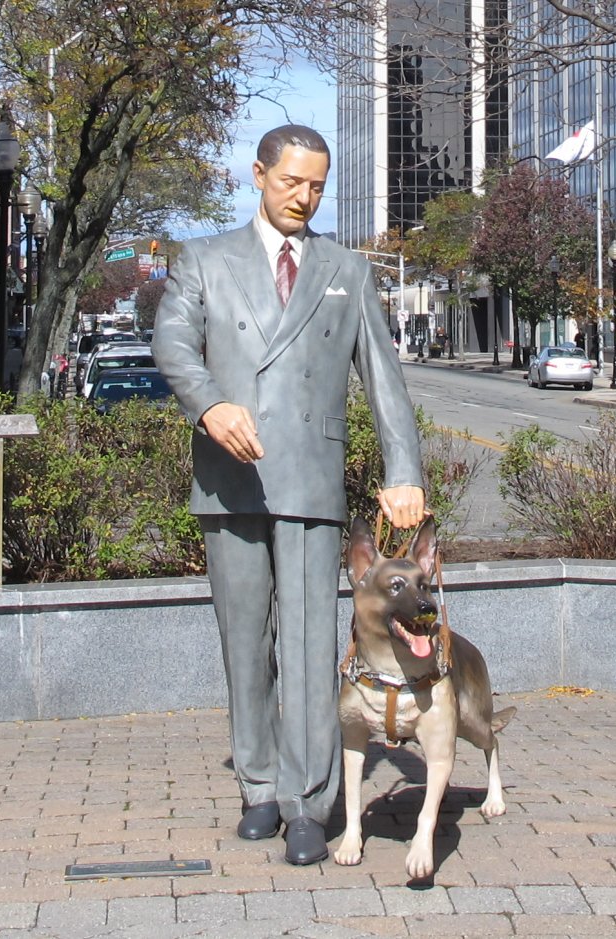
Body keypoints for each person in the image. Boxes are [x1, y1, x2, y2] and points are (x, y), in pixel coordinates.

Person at [152, 124, 425, 866]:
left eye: (316, 185)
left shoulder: (347, 269)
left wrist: (405, 470)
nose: (304, 197)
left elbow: (384, 380)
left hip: (308, 477)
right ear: (258, 175)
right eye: (290, 182)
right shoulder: (203, 260)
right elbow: (171, 342)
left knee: (308, 648)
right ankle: (258, 786)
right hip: (229, 476)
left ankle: (311, 800)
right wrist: (209, 404)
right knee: (245, 646)